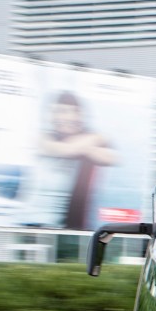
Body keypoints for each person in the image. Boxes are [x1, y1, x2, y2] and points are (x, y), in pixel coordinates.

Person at [32, 91, 118, 230]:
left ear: (81, 116)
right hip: (35, 223)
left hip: (76, 227)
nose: (67, 117)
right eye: (61, 111)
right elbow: (65, 149)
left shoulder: (92, 140)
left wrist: (91, 143)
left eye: (74, 112)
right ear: (52, 115)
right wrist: (91, 143)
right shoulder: (43, 138)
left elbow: (112, 157)